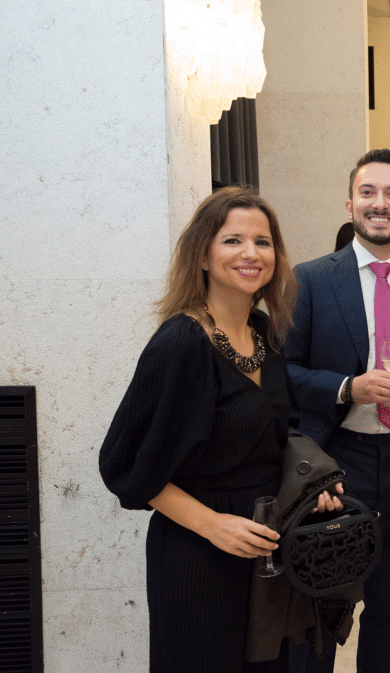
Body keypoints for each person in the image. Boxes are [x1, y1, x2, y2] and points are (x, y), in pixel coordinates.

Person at [99, 187, 343, 672]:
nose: (251, 253)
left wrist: (312, 488)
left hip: (265, 551)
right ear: (202, 255)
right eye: (233, 240)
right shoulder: (180, 343)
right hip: (197, 558)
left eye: (263, 241)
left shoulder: (264, 333)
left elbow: (278, 438)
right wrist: (214, 526)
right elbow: (124, 467)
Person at [285, 149, 390, 673]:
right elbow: (282, 373)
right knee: (318, 617)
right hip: (335, 466)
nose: (380, 203)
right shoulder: (311, 279)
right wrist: (345, 388)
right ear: (350, 204)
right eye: (368, 192)